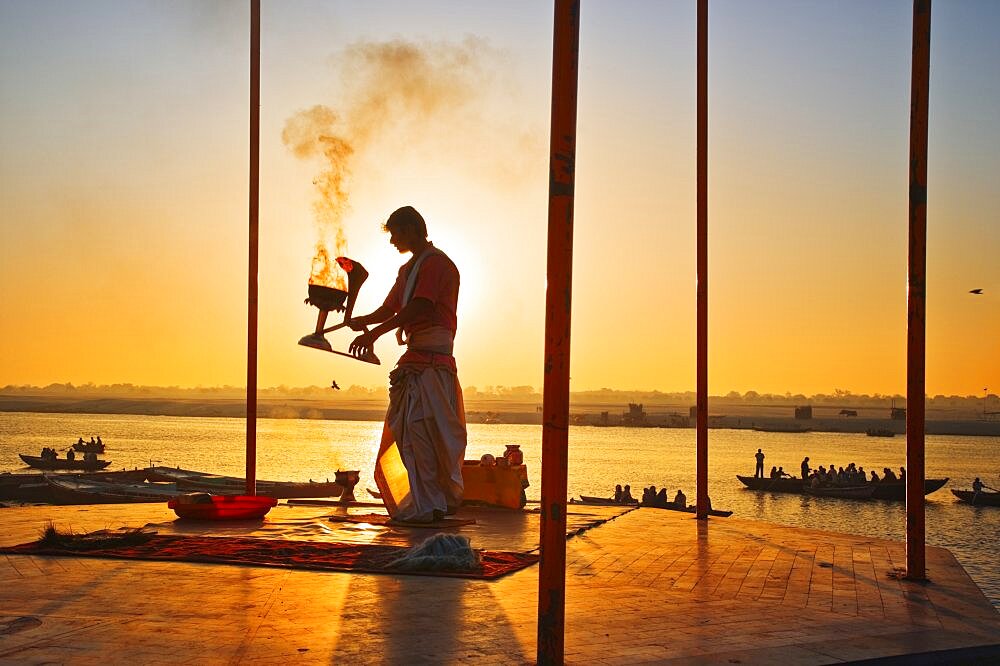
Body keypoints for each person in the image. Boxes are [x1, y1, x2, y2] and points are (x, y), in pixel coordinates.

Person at [347, 206, 466, 523]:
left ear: (412, 229)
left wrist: (373, 334)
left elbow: (419, 308)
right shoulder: (408, 270)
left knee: (423, 431)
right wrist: (363, 322)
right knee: (410, 433)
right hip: (417, 362)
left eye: (395, 233)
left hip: (432, 364)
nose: (392, 241)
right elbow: (390, 309)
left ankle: (432, 504)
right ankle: (426, 504)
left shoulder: (436, 265)